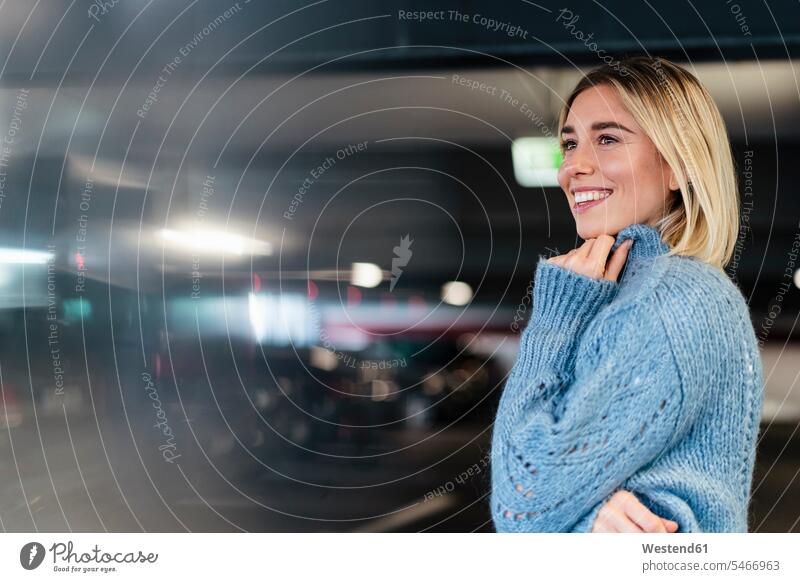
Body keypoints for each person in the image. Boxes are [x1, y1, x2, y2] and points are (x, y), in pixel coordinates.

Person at [490, 56, 764, 533]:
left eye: (608, 138)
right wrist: (585, 526)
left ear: (679, 165)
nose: (573, 166)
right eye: (570, 142)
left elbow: (522, 506)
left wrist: (555, 320)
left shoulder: (670, 298)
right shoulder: (640, 294)